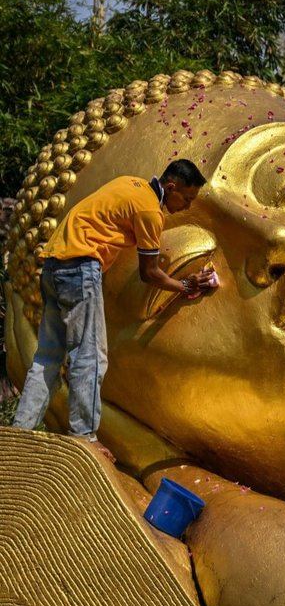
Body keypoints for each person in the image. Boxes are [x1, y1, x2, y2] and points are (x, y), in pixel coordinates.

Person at [13, 159, 214, 452]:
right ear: (171, 187)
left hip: (53, 268)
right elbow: (149, 272)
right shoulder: (149, 211)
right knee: (90, 355)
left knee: (48, 357)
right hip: (80, 269)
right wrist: (184, 286)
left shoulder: (129, 183)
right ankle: (84, 437)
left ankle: (19, 432)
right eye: (186, 198)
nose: (186, 206)